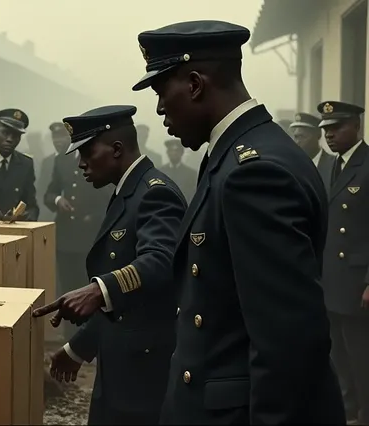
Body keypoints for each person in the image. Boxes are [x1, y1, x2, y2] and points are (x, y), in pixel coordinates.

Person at [36, 20, 345, 425]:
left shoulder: (254, 171)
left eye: (164, 92)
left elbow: (287, 344)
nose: (161, 109)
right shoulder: (236, 157)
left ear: (196, 84)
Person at [37, 106, 186, 424]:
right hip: (122, 361)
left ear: (116, 149)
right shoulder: (127, 193)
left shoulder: (154, 194)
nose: (81, 164)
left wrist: (97, 289)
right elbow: (126, 303)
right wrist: (79, 347)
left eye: (88, 152)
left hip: (142, 373)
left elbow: (160, 261)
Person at [318, 100, 369, 425]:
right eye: (326, 130)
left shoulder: (367, 165)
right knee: (337, 354)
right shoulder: (331, 167)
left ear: (357, 126)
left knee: (361, 354)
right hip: (331, 280)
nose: (330, 136)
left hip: (357, 283)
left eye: (337, 128)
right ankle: (348, 412)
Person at [43, 121, 109, 341]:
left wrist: (94, 216)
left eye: (64, 137)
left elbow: (107, 193)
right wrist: (58, 199)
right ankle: (70, 337)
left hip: (90, 235)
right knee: (68, 285)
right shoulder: (59, 161)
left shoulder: (94, 156)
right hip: (66, 236)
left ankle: (89, 337)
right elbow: (49, 193)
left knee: (88, 286)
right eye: (57, 138)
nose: (61, 142)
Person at [290, 111, 334, 194]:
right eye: (296, 137)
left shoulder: (334, 165)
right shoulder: (291, 166)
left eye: (302, 137)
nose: (297, 142)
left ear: (318, 135)